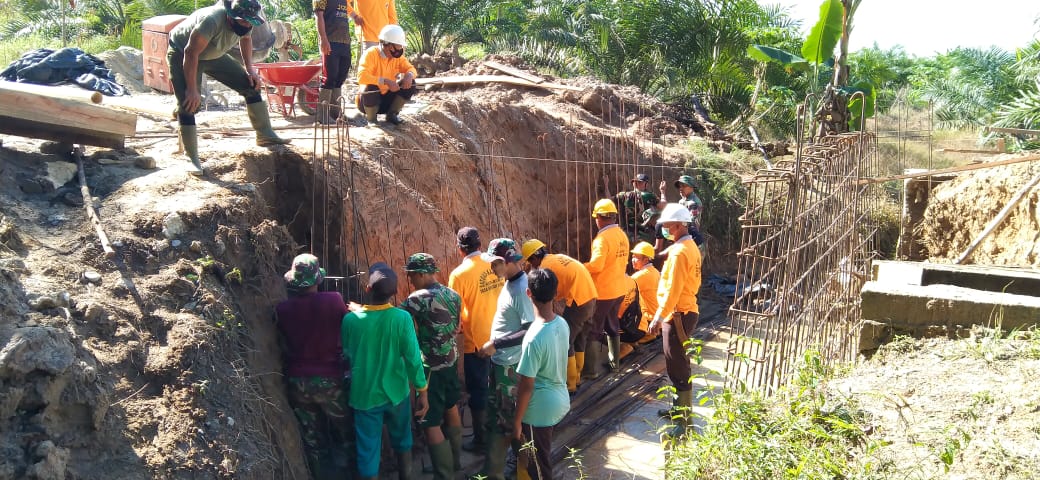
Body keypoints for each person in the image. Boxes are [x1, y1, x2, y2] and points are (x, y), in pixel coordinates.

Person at [167, 0, 289, 176]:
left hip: (212, 54)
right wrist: (193, 90)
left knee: (250, 85)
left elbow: (246, 39)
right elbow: (190, 53)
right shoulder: (212, 21)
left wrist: (250, 70)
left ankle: (265, 134)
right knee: (189, 103)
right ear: (232, 17)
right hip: (183, 53)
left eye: (250, 22)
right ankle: (191, 157)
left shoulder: (248, 21)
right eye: (244, 21)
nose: (248, 25)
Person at [342, 262, 428, 480]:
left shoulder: (350, 320)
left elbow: (347, 352)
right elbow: (413, 358)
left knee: (368, 451)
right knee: (403, 441)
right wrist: (422, 390)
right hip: (397, 393)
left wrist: (359, 312)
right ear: (395, 292)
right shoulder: (402, 318)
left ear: (368, 289)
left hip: (364, 396)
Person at [274, 254, 353, 480]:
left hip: (298, 383)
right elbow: (347, 326)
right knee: (348, 433)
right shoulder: (333, 300)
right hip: (331, 380)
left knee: (313, 441)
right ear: (318, 280)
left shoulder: (282, 309)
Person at [474, 239, 535, 480]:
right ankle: (497, 471)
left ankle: (517, 473)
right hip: (501, 363)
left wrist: (495, 344)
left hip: (510, 366)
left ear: (508, 261)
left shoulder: (521, 289)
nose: (492, 269)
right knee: (500, 419)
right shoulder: (510, 283)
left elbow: (529, 328)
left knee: (508, 423)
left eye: (495, 263)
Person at [399, 253, 463, 480]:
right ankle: (456, 462)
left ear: (422, 273)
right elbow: (456, 328)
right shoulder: (453, 295)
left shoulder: (417, 299)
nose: (410, 281)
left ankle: (444, 475)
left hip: (430, 368)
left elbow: (396, 321)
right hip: (451, 361)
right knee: (451, 405)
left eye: (412, 275)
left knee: (430, 422)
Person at [647, 204, 702, 437]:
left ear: (680, 225)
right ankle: (678, 411)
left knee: (678, 364)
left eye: (668, 226)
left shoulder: (680, 252)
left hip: (678, 313)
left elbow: (673, 289)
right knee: (675, 362)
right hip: (683, 310)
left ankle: (684, 421)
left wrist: (659, 316)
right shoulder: (689, 247)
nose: (665, 230)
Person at [447, 227, 504, 454]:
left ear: (460, 249)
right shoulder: (496, 262)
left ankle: (481, 439)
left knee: (479, 390)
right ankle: (502, 430)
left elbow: (454, 312)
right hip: (503, 335)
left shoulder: (459, 275)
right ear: (481, 244)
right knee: (501, 384)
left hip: (477, 342)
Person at [513, 268, 570, 480]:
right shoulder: (562, 323)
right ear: (555, 293)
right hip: (561, 399)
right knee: (537, 457)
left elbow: (526, 386)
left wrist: (516, 421)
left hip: (538, 412)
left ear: (529, 294)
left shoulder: (533, 338)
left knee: (539, 466)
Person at [520, 239, 597, 394]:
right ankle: (577, 377)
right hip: (590, 296)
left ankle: (570, 385)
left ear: (534, 257)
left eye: (530, 261)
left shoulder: (546, 268)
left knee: (566, 341)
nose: (532, 264)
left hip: (578, 301)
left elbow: (549, 294)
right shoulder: (556, 258)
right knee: (580, 338)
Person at [583, 199, 631, 375]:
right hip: (619, 288)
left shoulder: (602, 239)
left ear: (599, 218)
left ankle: (589, 371)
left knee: (594, 330)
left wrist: (581, 267)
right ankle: (615, 365)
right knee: (612, 326)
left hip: (603, 291)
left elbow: (596, 265)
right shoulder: (621, 235)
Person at [356, 24, 417, 126]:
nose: (399, 50)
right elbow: (361, 76)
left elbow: (411, 69)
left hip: (386, 100)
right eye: (397, 47)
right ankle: (371, 119)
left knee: (412, 83)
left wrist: (409, 75)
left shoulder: (397, 58)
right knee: (370, 87)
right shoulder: (371, 54)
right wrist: (385, 81)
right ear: (387, 45)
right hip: (367, 101)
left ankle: (392, 114)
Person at [314, 0, 361, 124]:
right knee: (329, 77)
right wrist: (323, 39)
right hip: (330, 40)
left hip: (344, 41)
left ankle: (336, 114)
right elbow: (319, 16)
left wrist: (356, 17)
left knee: (340, 77)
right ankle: (322, 115)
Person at [611, 173, 660, 242]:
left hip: (643, 232)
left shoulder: (650, 196)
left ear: (646, 184)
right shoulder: (624, 195)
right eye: (635, 182)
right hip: (630, 231)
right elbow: (610, 200)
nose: (637, 183)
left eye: (640, 182)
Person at [629, 241, 661, 344]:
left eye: (636, 258)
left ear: (646, 259)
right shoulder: (655, 272)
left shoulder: (640, 276)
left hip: (649, 319)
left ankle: (643, 336)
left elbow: (623, 287)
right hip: (657, 317)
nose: (633, 260)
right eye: (633, 256)